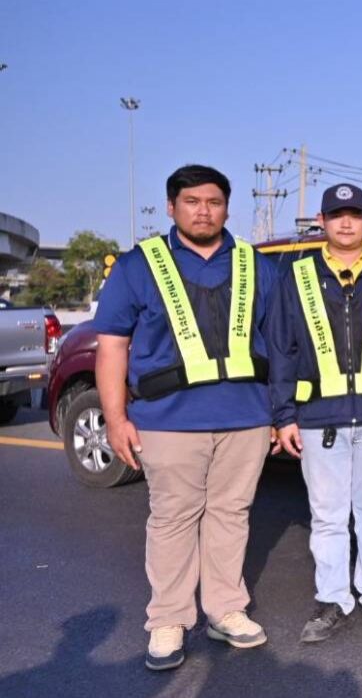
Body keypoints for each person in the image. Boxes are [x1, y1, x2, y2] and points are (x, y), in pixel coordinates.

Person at [97, 165, 279, 670]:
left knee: (231, 514)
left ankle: (225, 609)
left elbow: (277, 343)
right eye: (192, 201)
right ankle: (169, 619)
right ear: (171, 207)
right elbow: (112, 346)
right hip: (167, 419)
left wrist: (277, 412)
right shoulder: (138, 265)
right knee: (173, 518)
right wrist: (115, 418)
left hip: (245, 416)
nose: (204, 211)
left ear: (227, 209)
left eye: (214, 202)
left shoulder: (256, 265)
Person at [267, 184, 362, 644]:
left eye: (354, 214)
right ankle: (332, 599)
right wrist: (283, 416)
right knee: (328, 516)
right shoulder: (296, 277)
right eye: (336, 215)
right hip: (318, 418)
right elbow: (281, 350)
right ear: (322, 222)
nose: (345, 223)